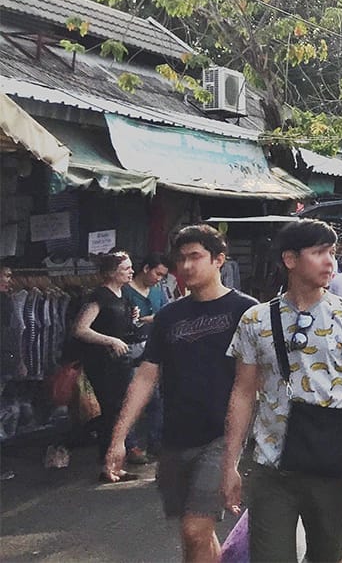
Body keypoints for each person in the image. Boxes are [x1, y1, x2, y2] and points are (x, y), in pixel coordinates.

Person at [221, 220, 342, 563]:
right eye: (319, 252)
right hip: (271, 465)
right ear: (290, 260)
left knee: (326, 555)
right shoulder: (255, 319)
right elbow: (243, 393)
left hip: (331, 460)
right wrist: (230, 464)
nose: (330, 262)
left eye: (332, 253)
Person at [104, 226, 257, 563]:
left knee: (195, 529)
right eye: (181, 259)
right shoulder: (169, 316)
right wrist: (118, 438)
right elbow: (146, 377)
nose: (186, 266)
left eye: (196, 257)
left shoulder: (246, 311)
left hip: (222, 436)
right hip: (175, 439)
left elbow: (262, 378)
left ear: (219, 260)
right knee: (195, 540)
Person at [72, 251, 144, 481]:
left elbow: (121, 327)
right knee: (111, 413)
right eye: (126, 268)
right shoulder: (98, 296)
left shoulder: (123, 296)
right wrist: (110, 340)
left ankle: (116, 464)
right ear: (112, 273)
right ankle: (108, 466)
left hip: (120, 361)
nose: (131, 272)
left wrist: (132, 317)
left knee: (121, 412)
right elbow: (81, 329)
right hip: (103, 362)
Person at [123, 253, 171, 461]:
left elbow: (168, 315)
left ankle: (156, 442)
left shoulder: (158, 293)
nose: (159, 278)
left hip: (155, 352)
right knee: (133, 399)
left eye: (162, 276)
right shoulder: (125, 292)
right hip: (132, 353)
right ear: (146, 269)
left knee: (156, 401)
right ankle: (130, 445)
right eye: (157, 273)